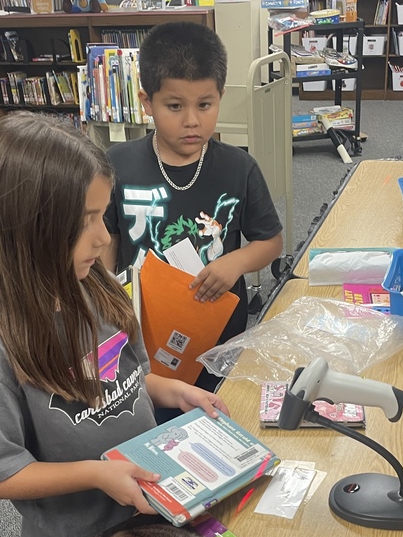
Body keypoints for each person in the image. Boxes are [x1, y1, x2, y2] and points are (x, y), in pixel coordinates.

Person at [0, 112, 228, 537]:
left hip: (153, 512)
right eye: (85, 222)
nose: (104, 237)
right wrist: (98, 474)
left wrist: (172, 391)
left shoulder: (97, 285)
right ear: (28, 228)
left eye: (103, 215)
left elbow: (130, 376)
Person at [104, 22, 283, 387]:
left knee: (218, 408)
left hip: (219, 337)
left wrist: (236, 262)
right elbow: (107, 237)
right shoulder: (117, 164)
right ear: (146, 102)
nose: (192, 121)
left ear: (220, 97)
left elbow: (270, 240)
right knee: (149, 409)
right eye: (174, 106)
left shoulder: (239, 168)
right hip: (142, 329)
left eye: (205, 105)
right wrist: (105, 294)